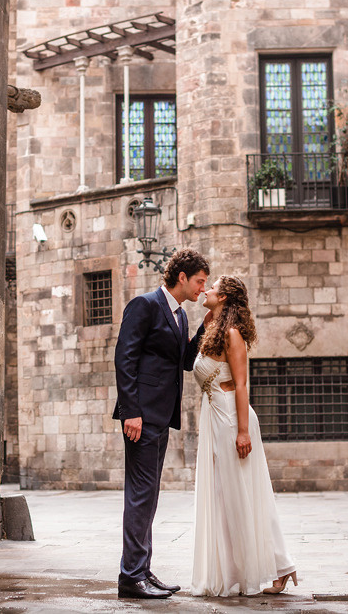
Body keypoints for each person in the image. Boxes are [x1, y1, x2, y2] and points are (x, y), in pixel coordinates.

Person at [112, 248, 211, 599]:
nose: (203, 287)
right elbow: (124, 358)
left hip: (161, 416)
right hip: (141, 416)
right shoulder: (145, 305)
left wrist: (206, 325)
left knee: (149, 495)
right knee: (140, 495)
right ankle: (130, 577)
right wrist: (130, 411)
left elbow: (184, 362)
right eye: (200, 281)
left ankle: (142, 570)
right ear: (182, 277)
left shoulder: (180, 315)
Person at [191, 275, 297, 597]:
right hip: (214, 419)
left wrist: (241, 432)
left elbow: (241, 385)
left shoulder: (232, 335)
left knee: (246, 496)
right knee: (225, 499)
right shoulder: (213, 328)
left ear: (223, 297)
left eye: (212, 287)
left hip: (230, 419)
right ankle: (233, 570)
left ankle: (282, 566)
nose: (206, 290)